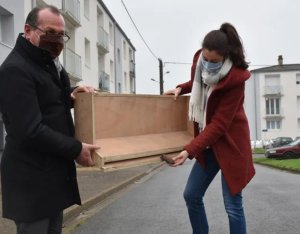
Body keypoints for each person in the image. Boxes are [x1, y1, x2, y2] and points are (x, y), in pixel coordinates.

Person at [0, 5, 100, 234]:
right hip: (31, 183)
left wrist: (72, 93)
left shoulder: (45, 62)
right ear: (28, 30)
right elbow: (30, 130)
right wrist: (76, 148)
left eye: (60, 34)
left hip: (50, 176)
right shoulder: (15, 70)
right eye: (49, 32)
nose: (56, 40)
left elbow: (45, 98)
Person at [164, 23, 256, 234]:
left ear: (226, 57)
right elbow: (201, 83)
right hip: (211, 142)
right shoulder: (201, 64)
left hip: (232, 143)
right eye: (205, 59)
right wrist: (181, 87)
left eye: (214, 61)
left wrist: (189, 149)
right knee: (191, 195)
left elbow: (220, 124)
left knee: (232, 205)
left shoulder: (236, 80)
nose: (208, 64)